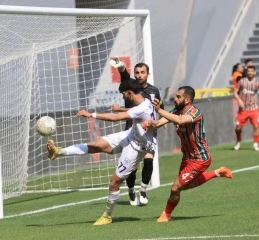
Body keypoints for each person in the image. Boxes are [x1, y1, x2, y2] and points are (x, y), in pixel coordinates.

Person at [46, 79, 156, 225]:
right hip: (130, 135)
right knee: (96, 145)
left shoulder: (142, 108)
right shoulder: (144, 101)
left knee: (114, 183)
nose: (123, 97)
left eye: (123, 94)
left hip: (136, 148)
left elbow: (116, 117)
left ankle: (107, 216)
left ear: (129, 93)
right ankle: (58, 152)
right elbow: (131, 113)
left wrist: (91, 114)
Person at [145, 86, 233, 223]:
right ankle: (218, 172)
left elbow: (180, 121)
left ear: (187, 100)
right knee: (185, 186)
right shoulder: (176, 111)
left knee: (175, 188)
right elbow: (159, 123)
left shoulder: (196, 113)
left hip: (200, 158)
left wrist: (160, 110)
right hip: (187, 157)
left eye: (178, 97)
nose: (175, 99)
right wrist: (151, 123)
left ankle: (166, 214)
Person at [110, 58, 164, 206]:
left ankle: (144, 190)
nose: (139, 75)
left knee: (149, 160)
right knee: (132, 166)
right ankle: (131, 190)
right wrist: (120, 66)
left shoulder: (154, 91)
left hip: (149, 131)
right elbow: (124, 75)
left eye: (142, 72)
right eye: (137, 73)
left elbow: (160, 108)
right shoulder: (131, 87)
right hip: (131, 130)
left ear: (148, 74)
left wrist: (161, 120)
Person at [233, 66, 259, 151]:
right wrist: (239, 100)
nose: (250, 73)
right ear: (246, 72)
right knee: (238, 127)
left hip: (254, 108)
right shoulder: (242, 81)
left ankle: (255, 143)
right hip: (243, 109)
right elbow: (235, 92)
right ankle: (238, 140)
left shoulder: (257, 82)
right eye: (249, 71)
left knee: (256, 126)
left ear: (254, 72)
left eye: (252, 71)